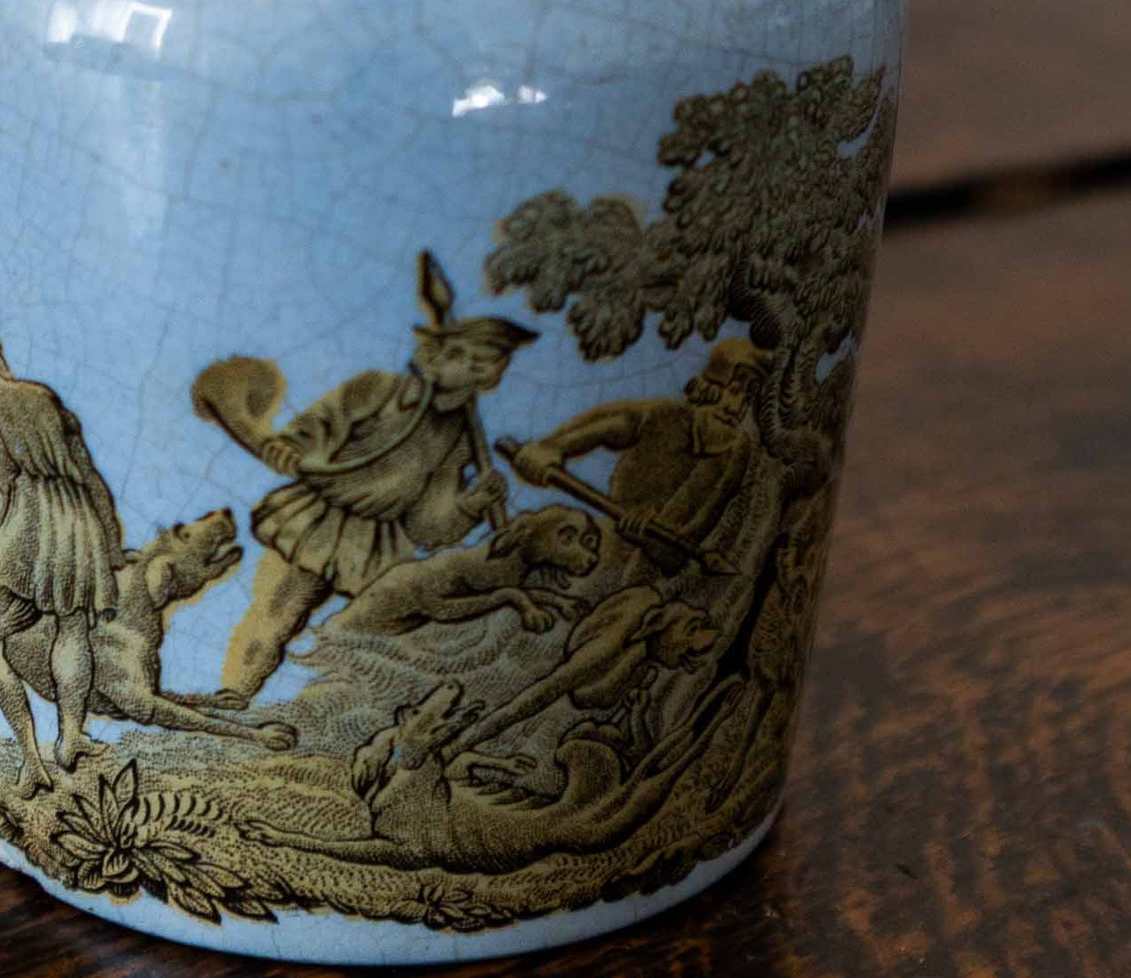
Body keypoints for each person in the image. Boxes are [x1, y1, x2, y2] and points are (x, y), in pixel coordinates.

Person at [217, 296, 538, 705]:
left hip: (375, 542)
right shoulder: (377, 388)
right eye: (462, 355)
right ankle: (235, 693)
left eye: (484, 364)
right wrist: (293, 450)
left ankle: (318, 707)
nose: (471, 369)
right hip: (318, 516)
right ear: (435, 352)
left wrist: (472, 504)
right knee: (280, 607)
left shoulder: (457, 436)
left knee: (362, 631)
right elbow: (316, 430)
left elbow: (427, 524)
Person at [0, 296, 123, 796]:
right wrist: (108, 543)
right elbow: (88, 473)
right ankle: (70, 738)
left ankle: (32, 760)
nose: (1, 351)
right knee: (73, 629)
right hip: (77, 522)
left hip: (27, 518)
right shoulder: (43, 398)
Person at [506, 336, 773, 580]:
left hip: (648, 576)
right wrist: (552, 447)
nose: (735, 408)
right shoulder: (670, 417)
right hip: (602, 543)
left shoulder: (734, 454)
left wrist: (653, 537)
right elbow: (613, 424)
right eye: (734, 391)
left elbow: (689, 538)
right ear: (710, 386)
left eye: (747, 398)